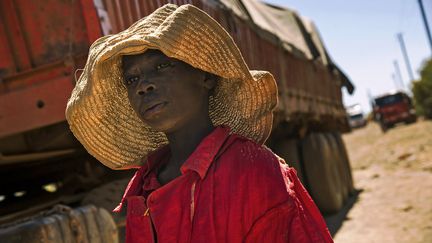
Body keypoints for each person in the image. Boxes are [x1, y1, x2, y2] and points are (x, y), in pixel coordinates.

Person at [66, 4, 333, 243]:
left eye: (162, 67)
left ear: (206, 77)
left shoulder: (253, 170)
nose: (143, 86)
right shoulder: (145, 185)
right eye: (132, 79)